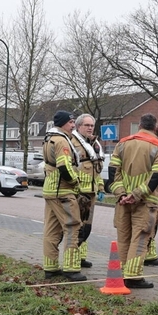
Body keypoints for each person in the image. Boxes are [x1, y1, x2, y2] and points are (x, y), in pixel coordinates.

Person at [109, 113, 158, 289]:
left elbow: (113, 172)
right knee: (140, 237)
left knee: (123, 237)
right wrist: (136, 194)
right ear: (155, 126)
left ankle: (119, 273)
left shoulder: (122, 143)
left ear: (140, 125)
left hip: (122, 201)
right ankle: (133, 276)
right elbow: (157, 176)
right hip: (145, 201)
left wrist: (121, 194)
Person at [42, 111, 89, 281]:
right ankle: (71, 268)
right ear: (62, 123)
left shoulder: (49, 138)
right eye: (70, 122)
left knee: (51, 230)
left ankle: (50, 267)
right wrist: (76, 182)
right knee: (72, 226)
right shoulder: (62, 141)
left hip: (50, 190)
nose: (73, 126)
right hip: (62, 191)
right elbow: (64, 167)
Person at [71, 114, 104, 269]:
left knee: (86, 228)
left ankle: (82, 257)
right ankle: (72, 260)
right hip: (79, 192)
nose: (90, 128)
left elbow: (97, 170)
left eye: (92, 125)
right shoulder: (73, 143)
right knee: (77, 228)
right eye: (87, 125)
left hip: (91, 192)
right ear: (78, 127)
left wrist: (101, 188)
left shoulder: (94, 144)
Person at [143, 124, 158, 267]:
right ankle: (148, 254)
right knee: (151, 226)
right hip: (154, 195)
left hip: (139, 192)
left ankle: (150, 253)